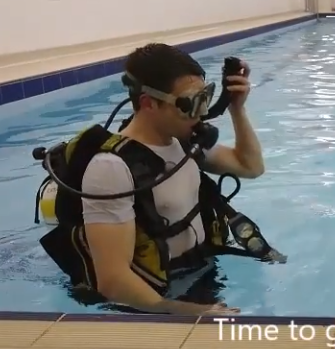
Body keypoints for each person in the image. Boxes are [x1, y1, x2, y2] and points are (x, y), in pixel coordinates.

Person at [39, 44, 272, 316]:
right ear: (149, 103)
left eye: (205, 97)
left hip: (198, 278)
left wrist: (236, 109)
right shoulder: (111, 169)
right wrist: (187, 312)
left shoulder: (182, 140)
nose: (200, 113)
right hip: (148, 303)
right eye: (189, 103)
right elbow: (113, 281)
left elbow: (251, 167)